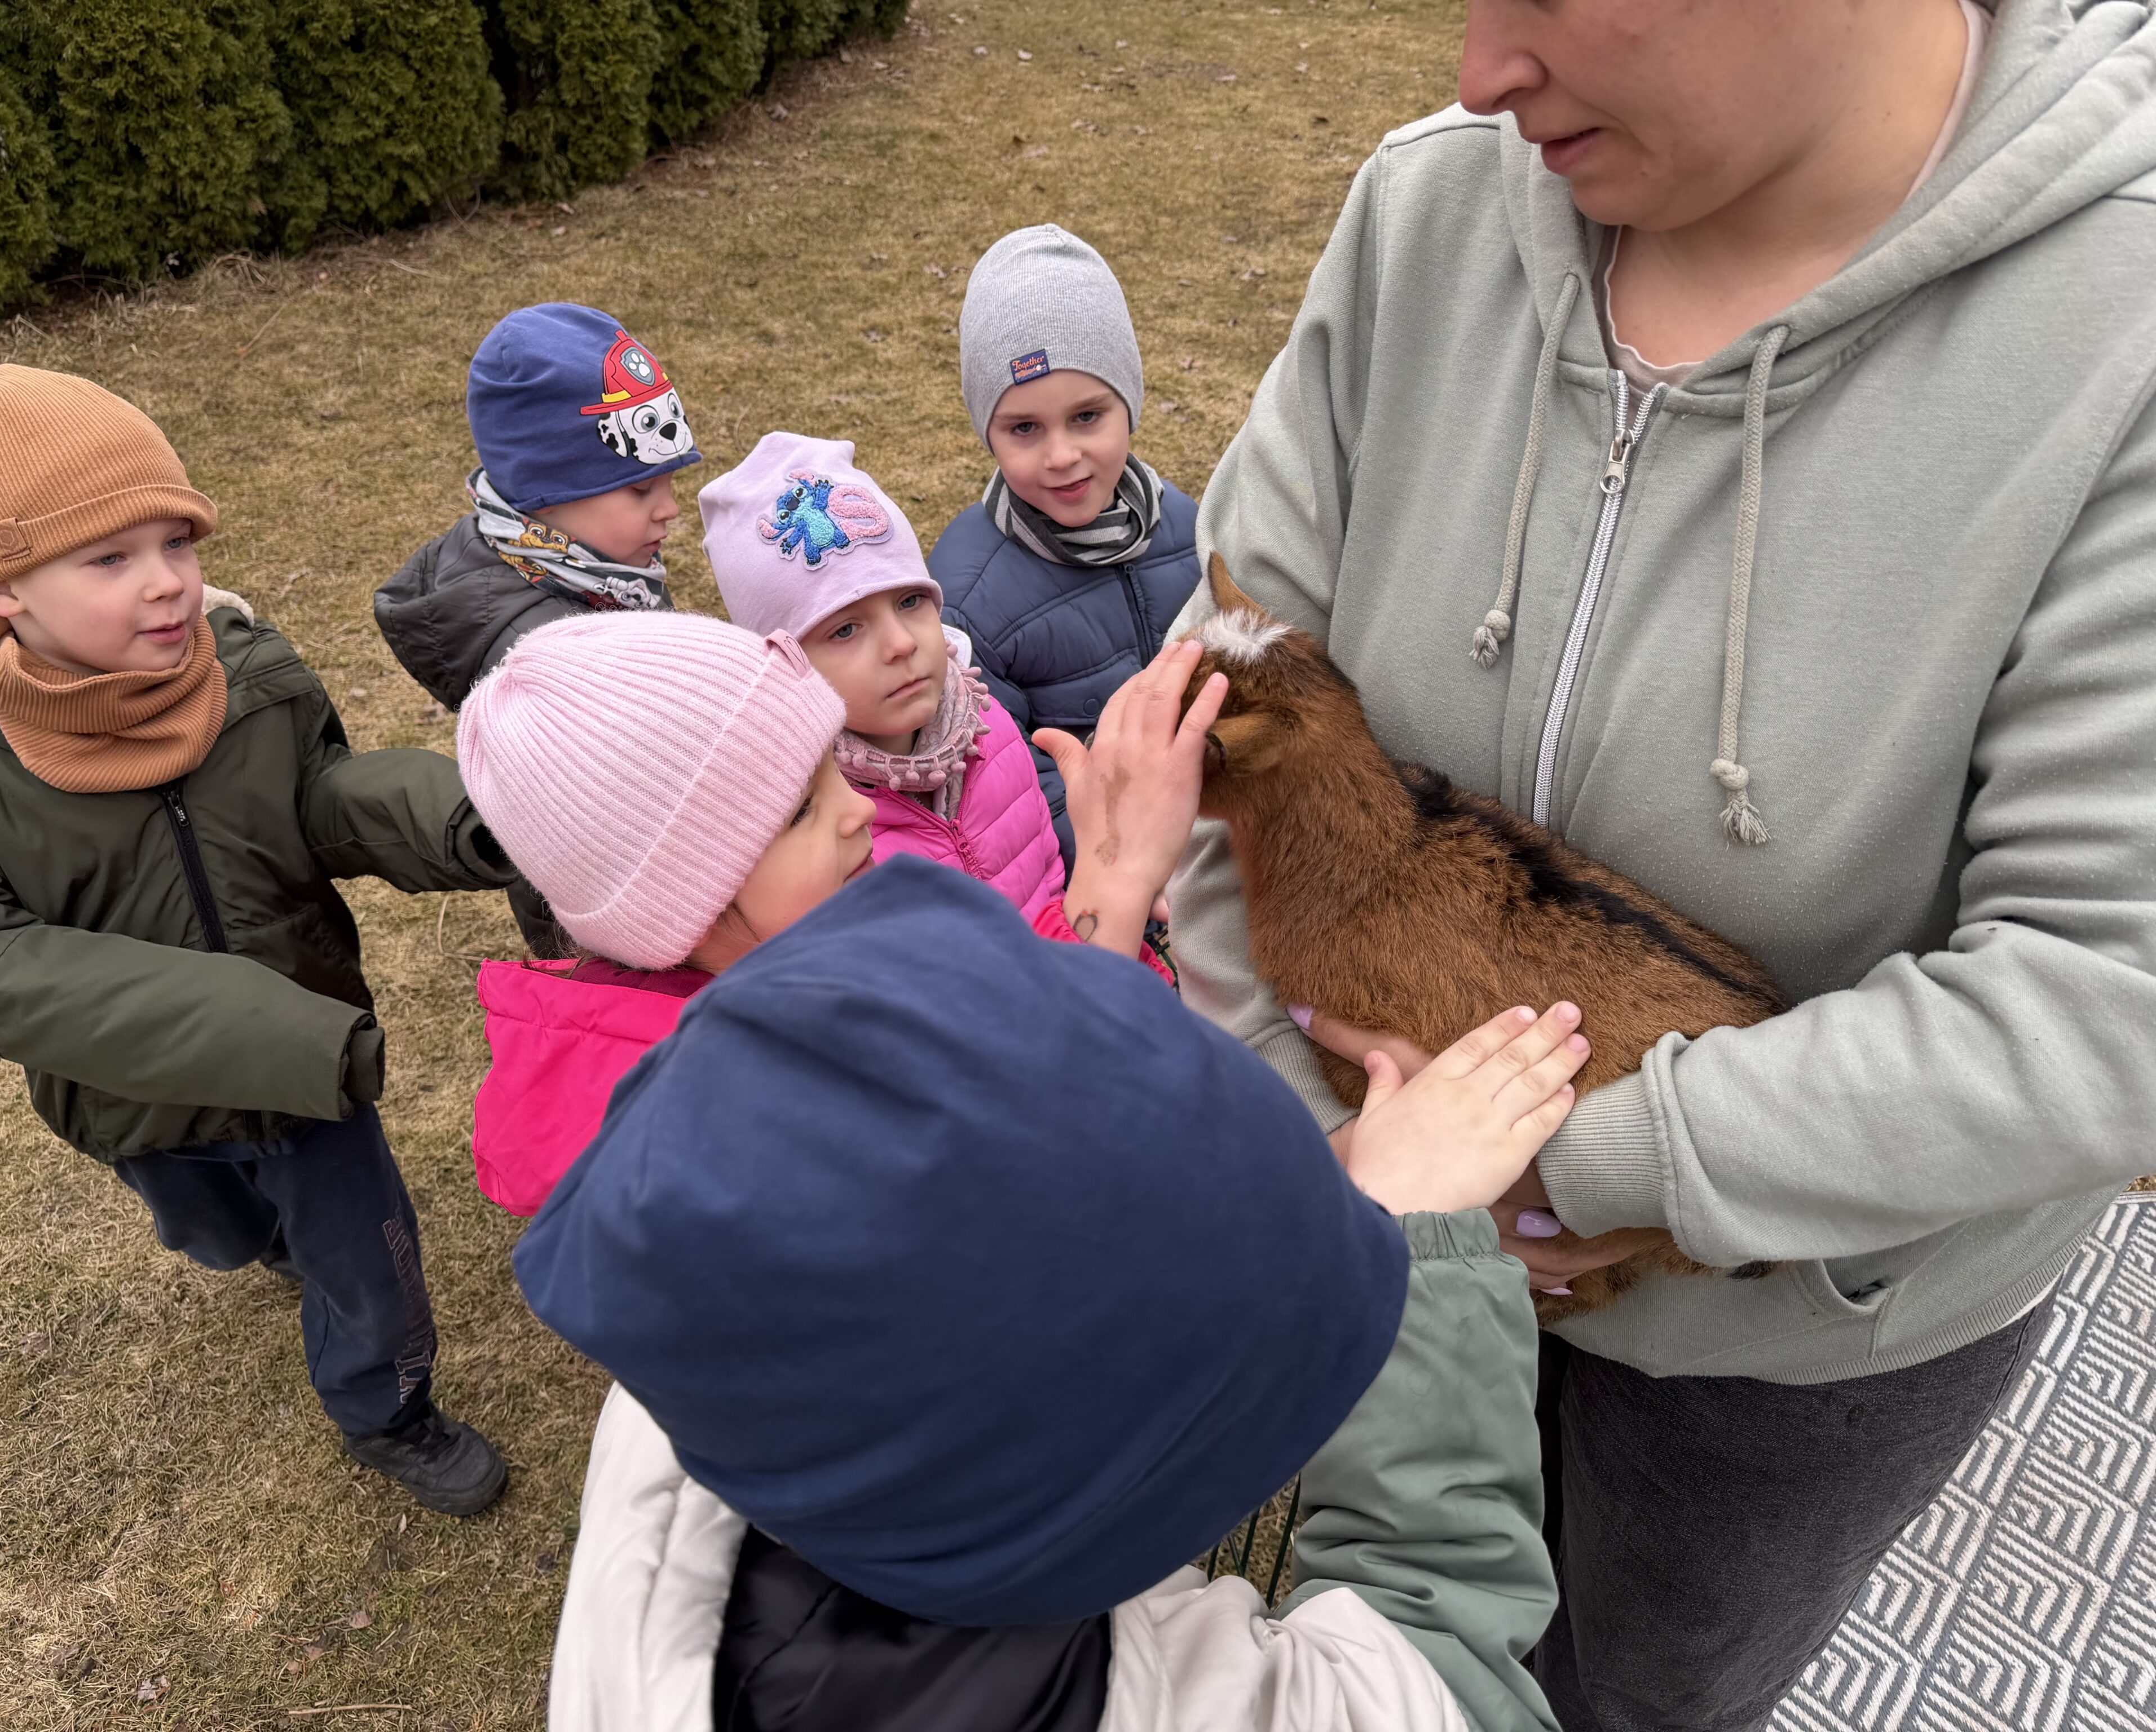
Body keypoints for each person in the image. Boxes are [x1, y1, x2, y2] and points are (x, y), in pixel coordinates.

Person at [1169, 1, 2156, 1727]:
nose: (1480, 73)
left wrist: (1573, 1170)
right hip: (1377, 1208)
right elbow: (1215, 700)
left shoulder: (2120, 335)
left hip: (1788, 1351)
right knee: (1386, 1640)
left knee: (1640, 1688)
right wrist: (1326, 1146)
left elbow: (2110, 994)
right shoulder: (1426, 213)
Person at [515, 862, 1593, 1732]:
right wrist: (1414, 1235)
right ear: (1099, 1514)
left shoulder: (720, 1358)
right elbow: (1438, 1664)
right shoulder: (1173, 1708)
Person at [0, 365, 517, 1514]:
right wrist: (243, 1023)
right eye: (109, 559)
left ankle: (388, 1413)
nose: (168, 581)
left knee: (367, 1263)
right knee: (217, 1228)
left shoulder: (248, 677)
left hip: (309, 1070)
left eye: (176, 541)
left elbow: (319, 796)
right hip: (139, 1103)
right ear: (5, 587)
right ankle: (259, 1241)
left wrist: (476, 814)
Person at [454, 612, 1200, 1217]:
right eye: (801, 810)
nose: (858, 811)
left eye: (832, 772)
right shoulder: (738, 1130)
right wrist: (1116, 877)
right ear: (683, 903)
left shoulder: (807, 966)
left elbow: (999, 1027)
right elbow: (1025, 1168)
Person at [374, 302, 698, 955]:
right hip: (618, 924)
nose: (670, 509)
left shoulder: (594, 569)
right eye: (641, 491)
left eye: (667, 482)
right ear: (545, 496)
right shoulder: (541, 652)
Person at [699, 433, 1067, 920]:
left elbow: (1048, 878)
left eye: (910, 601)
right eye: (845, 629)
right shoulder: (808, 843)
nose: (901, 644)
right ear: (787, 668)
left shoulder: (988, 725)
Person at [932, 225, 1203, 869]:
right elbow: (1003, 784)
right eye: (1024, 427)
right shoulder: (967, 600)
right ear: (988, 433)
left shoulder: (1187, 525)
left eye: (1087, 417)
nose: (1061, 456)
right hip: (1095, 877)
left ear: (1129, 403)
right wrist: (1121, 865)